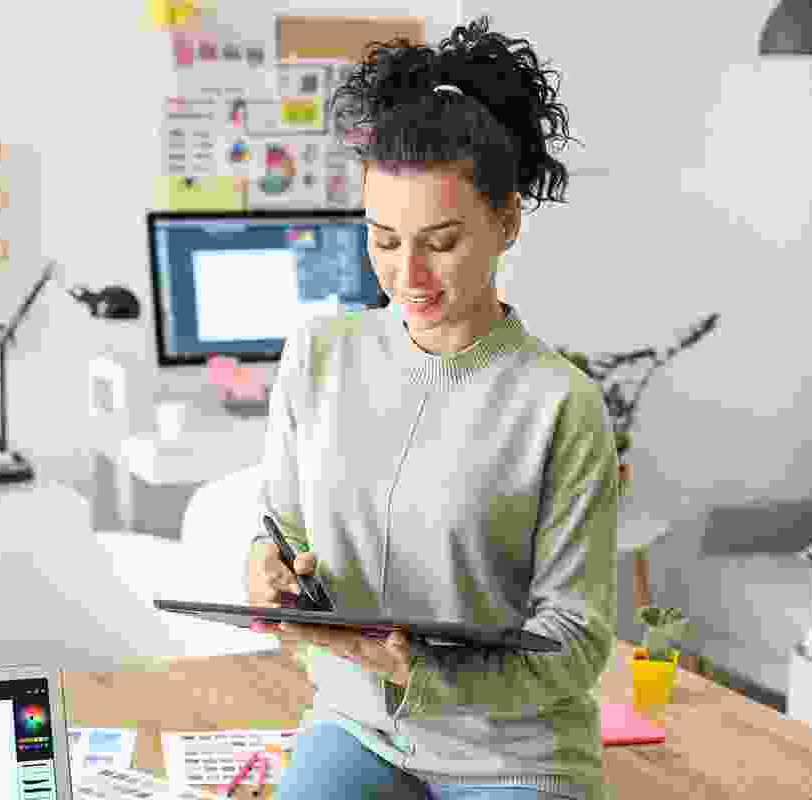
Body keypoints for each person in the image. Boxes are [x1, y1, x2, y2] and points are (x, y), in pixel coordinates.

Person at [245, 17, 619, 800]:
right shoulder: (318, 357)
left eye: (440, 242)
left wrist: (428, 673)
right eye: (384, 241)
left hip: (511, 751)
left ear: (506, 221)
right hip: (356, 725)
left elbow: (576, 641)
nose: (407, 275)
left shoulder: (560, 404)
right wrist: (268, 569)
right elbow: (282, 529)